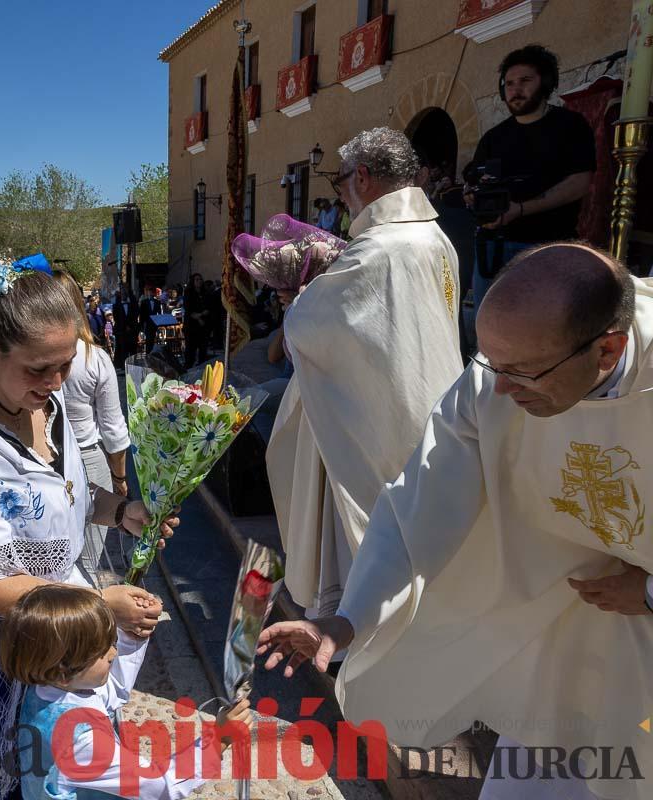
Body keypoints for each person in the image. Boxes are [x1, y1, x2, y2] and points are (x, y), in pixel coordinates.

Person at [259, 243, 653, 799]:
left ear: (607, 352)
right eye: (489, 362)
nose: (499, 391)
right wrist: (344, 621)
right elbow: (414, 503)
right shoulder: (494, 382)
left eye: (521, 373)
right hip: (551, 625)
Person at [0, 258, 173, 800]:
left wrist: (119, 511)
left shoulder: (49, 400)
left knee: (48, 772)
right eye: (39, 368)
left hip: (49, 619)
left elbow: (58, 494)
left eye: (65, 365)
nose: (55, 381)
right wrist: (96, 605)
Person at [268, 127, 463, 629]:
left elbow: (312, 328)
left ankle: (358, 632)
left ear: (363, 176)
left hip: (376, 413)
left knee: (371, 531)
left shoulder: (379, 249)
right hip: (430, 401)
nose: (339, 193)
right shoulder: (436, 237)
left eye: (339, 181)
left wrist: (295, 304)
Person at [0, 585, 254, 800]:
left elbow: (113, 692)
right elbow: (158, 784)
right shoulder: (81, 742)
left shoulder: (49, 686)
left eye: (111, 642)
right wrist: (218, 740)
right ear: (64, 670)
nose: (113, 653)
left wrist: (131, 636)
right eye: (102, 652)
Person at [464, 44, 596, 321]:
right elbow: (475, 181)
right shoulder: (493, 138)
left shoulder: (570, 126)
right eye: (509, 83)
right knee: (488, 328)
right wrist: (472, 197)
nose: (515, 89)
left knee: (538, 327)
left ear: (546, 83)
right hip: (492, 248)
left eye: (525, 80)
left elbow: (579, 182)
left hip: (545, 248)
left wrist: (520, 209)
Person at [53, 270, 131, 585]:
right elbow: (113, 429)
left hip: (44, 458)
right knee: (87, 561)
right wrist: (120, 478)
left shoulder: (29, 359)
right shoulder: (94, 358)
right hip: (88, 461)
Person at [182, 272, 210, 368]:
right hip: (191, 326)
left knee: (203, 348)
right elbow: (188, 309)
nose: (199, 281)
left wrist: (203, 315)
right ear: (193, 281)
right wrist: (199, 317)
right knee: (191, 349)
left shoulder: (205, 293)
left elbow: (208, 307)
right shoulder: (188, 293)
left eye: (200, 279)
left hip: (203, 326)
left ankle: (202, 366)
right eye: (197, 280)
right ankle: (188, 367)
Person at [111, 284, 140, 366]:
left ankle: (134, 365)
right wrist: (124, 326)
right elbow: (116, 318)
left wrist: (130, 326)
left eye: (125, 292)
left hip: (132, 330)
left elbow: (136, 314)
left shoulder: (132, 304)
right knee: (122, 349)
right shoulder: (116, 305)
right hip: (121, 331)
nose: (124, 294)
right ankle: (123, 366)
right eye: (122, 292)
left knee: (133, 348)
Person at [137, 284, 163, 355]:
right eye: (150, 292)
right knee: (148, 340)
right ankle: (148, 354)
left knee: (153, 339)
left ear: (154, 293)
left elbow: (160, 313)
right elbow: (141, 314)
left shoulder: (157, 302)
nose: (151, 293)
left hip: (154, 323)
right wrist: (142, 324)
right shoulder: (144, 302)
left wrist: (159, 323)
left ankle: (153, 354)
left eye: (152, 292)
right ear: (148, 293)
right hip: (147, 323)